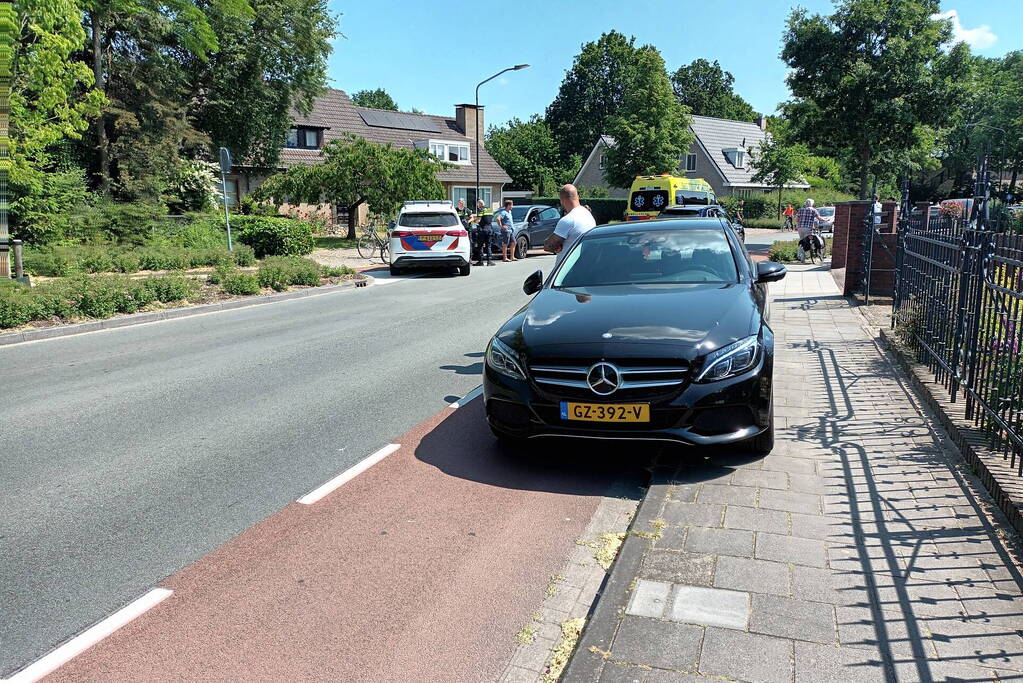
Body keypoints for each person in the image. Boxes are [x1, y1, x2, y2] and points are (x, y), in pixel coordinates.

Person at [543, 184, 596, 266]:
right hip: (586, 264)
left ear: (562, 200)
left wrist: (554, 244)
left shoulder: (568, 220)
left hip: (569, 270)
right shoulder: (588, 215)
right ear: (578, 196)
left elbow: (549, 246)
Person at [795, 198, 823, 263]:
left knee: (802, 241)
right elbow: (819, 218)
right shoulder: (814, 210)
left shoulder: (800, 210)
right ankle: (814, 251)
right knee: (809, 241)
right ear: (812, 204)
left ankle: (801, 257)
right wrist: (826, 220)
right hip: (808, 228)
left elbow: (797, 219)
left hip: (800, 228)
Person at [473, 199, 495, 266]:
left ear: (480, 204)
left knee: (480, 246)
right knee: (488, 246)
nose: (477, 205)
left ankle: (481, 261)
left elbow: (478, 220)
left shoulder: (481, 210)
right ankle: (489, 261)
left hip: (483, 230)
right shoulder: (490, 210)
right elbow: (491, 219)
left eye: (477, 204)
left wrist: (474, 220)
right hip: (490, 229)